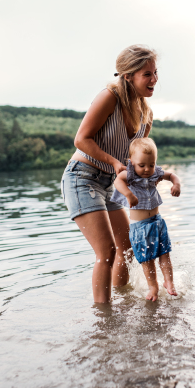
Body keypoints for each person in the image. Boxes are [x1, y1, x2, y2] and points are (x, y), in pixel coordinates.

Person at [61, 45, 158, 303]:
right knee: (106, 251)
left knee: (126, 250)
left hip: (110, 183)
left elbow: (135, 158)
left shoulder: (146, 114)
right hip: (82, 177)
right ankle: (103, 320)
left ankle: (122, 305)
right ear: (128, 76)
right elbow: (81, 139)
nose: (154, 80)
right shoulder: (109, 97)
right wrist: (115, 163)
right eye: (147, 74)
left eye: (155, 73)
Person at [111, 138, 181, 301]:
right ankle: (153, 287)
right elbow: (117, 181)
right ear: (131, 162)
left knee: (165, 253)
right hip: (140, 226)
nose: (147, 169)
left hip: (157, 222)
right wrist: (128, 194)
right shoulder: (129, 174)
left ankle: (169, 282)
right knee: (147, 259)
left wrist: (176, 184)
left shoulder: (155, 171)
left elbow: (172, 175)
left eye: (151, 164)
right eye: (142, 165)